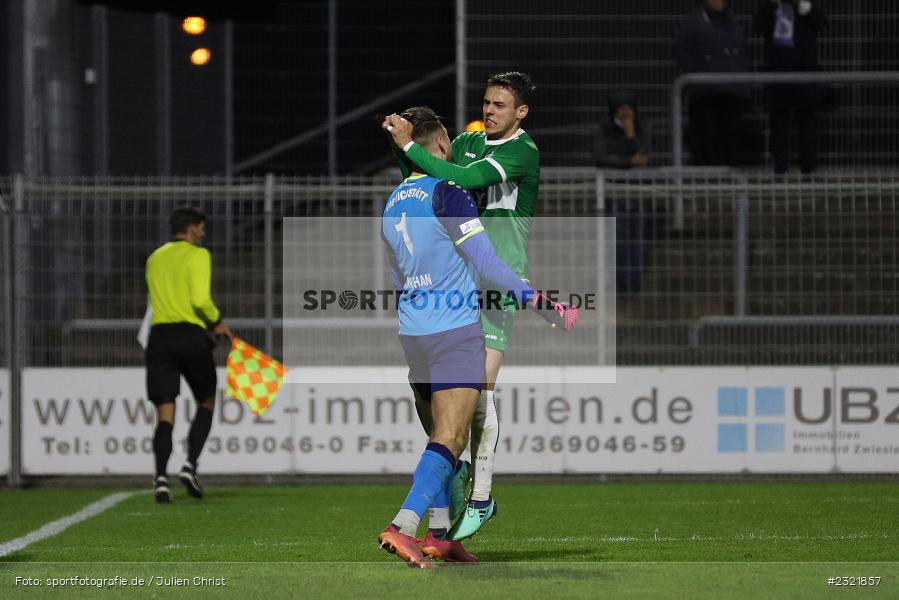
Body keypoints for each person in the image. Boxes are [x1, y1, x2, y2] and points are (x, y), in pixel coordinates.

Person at [379, 106, 577, 567]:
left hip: (413, 331)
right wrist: (544, 306)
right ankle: (403, 525)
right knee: (450, 438)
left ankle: (442, 537)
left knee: (442, 439)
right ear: (443, 145)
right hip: (453, 330)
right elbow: (488, 263)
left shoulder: (392, 202)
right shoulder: (447, 191)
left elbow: (396, 277)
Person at [383, 71, 538, 541]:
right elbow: (435, 158)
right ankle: (442, 526)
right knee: (449, 421)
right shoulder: (470, 140)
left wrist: (411, 148)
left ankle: (481, 495)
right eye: (486, 102)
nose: (489, 111)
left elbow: (459, 175)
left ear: (521, 112)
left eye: (500, 105)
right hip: (458, 285)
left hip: (497, 281)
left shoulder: (521, 151)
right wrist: (403, 137)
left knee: (480, 396)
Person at [145, 207, 232, 503]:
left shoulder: (155, 258)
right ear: (192, 228)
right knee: (207, 399)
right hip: (190, 336)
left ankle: (160, 478)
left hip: (159, 338)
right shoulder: (199, 254)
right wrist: (217, 321)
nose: (204, 233)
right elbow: (200, 300)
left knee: (165, 413)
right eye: (201, 227)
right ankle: (189, 466)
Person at [674, 0, 752, 166]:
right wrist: (696, 75)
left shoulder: (734, 22)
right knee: (705, 140)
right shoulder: (691, 22)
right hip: (704, 93)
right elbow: (683, 52)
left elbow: (744, 53)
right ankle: (708, 181)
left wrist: (742, 81)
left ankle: (724, 178)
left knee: (729, 139)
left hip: (732, 93)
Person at [754, 0, 827, 174]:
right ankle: (780, 171)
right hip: (778, 73)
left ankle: (808, 171)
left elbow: (821, 21)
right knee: (779, 123)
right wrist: (771, 6)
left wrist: (803, 6)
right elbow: (758, 25)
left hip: (804, 72)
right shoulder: (772, 7)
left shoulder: (806, 6)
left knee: (806, 122)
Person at [594, 91, 652, 293]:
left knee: (637, 239)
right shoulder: (604, 129)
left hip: (638, 193)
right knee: (618, 239)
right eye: (621, 109)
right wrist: (628, 162)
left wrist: (630, 134)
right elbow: (602, 158)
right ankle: (621, 286)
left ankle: (635, 285)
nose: (626, 114)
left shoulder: (642, 127)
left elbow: (643, 159)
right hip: (615, 192)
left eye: (630, 109)